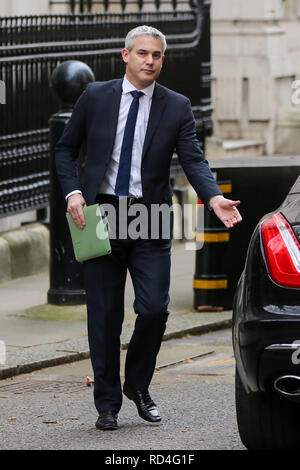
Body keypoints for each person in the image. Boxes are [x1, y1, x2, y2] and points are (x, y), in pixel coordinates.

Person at [55, 25, 242, 431]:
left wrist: (212, 197)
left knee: (155, 309)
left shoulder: (176, 106)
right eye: (142, 53)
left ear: (162, 59)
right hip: (100, 215)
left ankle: (136, 385)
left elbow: (193, 159)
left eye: (156, 55)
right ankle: (107, 404)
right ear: (126, 56)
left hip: (149, 216)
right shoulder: (96, 96)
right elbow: (66, 149)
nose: (149, 61)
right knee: (103, 316)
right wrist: (72, 193)